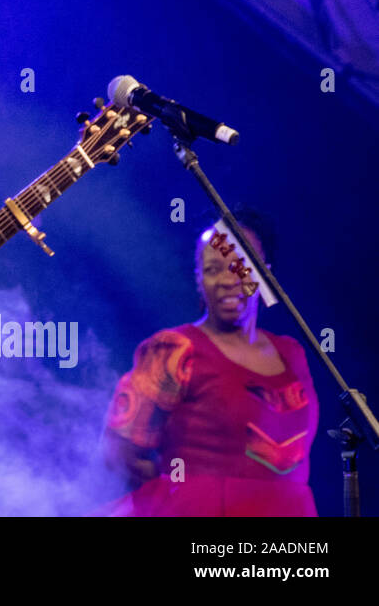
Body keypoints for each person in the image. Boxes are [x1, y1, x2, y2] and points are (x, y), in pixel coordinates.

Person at [102, 212, 318, 515]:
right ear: (199, 279)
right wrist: (184, 494)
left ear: (264, 274)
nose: (228, 280)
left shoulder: (292, 353)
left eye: (239, 267)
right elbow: (121, 451)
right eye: (213, 269)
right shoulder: (174, 350)